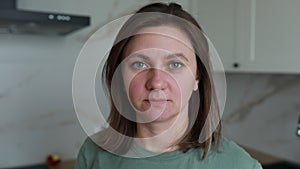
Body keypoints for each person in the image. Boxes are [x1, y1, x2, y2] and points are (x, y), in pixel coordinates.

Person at [75, 2, 262, 169]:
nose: (156, 82)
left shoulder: (239, 165)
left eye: (175, 64)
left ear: (197, 77)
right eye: (139, 64)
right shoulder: (93, 155)